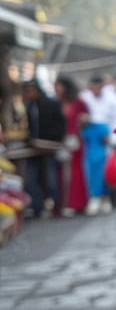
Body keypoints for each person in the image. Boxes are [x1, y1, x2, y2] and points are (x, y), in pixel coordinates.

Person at [80, 75, 116, 215]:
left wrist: (113, 138)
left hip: (106, 137)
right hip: (89, 137)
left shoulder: (112, 99)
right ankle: (94, 197)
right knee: (90, 168)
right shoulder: (84, 98)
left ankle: (106, 198)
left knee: (106, 169)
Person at [19, 81, 65, 218]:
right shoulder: (30, 106)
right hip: (33, 149)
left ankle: (57, 206)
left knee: (51, 179)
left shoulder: (51, 104)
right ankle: (37, 207)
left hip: (49, 147)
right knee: (31, 179)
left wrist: (50, 139)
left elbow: (60, 125)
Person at [55, 77, 90, 216]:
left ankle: (77, 203)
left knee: (76, 173)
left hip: (75, 140)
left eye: (59, 86)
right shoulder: (56, 102)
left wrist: (81, 121)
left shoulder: (78, 102)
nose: (57, 89)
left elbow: (87, 117)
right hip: (60, 141)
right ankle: (63, 203)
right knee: (61, 173)